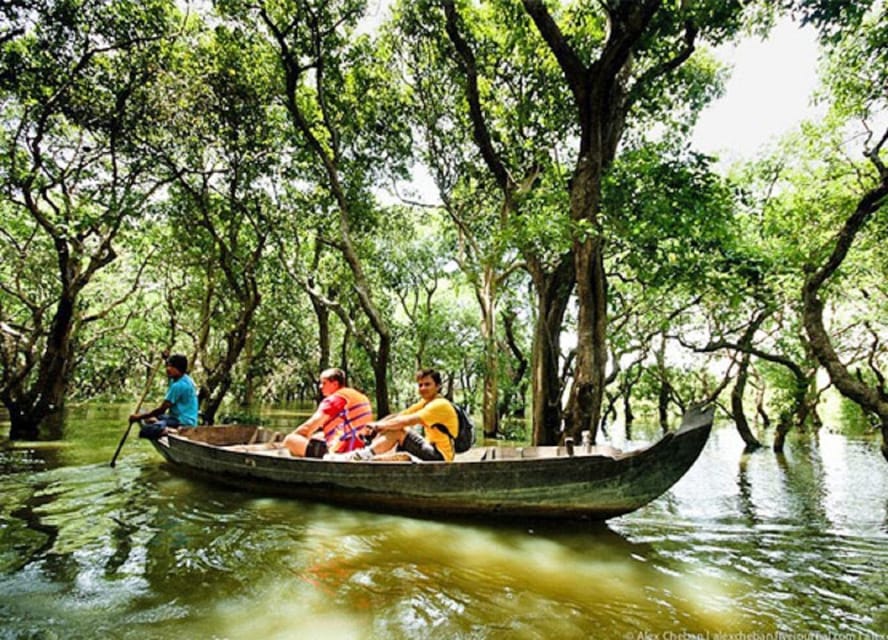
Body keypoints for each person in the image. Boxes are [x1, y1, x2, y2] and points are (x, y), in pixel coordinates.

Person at [354, 368, 458, 462]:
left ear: (438, 386)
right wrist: (374, 428)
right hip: (430, 448)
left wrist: (378, 426)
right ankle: (367, 454)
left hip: (440, 457)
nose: (423, 388)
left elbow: (406, 421)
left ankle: (364, 455)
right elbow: (399, 416)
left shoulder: (440, 405)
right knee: (393, 426)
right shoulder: (425, 402)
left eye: (427, 384)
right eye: (420, 385)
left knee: (399, 430)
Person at [282, 368, 374, 458]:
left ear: (335, 384)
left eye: (324, 383)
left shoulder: (334, 400)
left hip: (341, 452)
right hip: (362, 447)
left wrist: (290, 441)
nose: (320, 387)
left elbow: (307, 428)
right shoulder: (359, 396)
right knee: (318, 436)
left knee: (290, 439)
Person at [130, 353, 199, 439]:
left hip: (183, 422)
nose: (167, 369)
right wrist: (165, 358)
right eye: (167, 366)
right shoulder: (184, 378)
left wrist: (138, 417)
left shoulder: (179, 385)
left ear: (178, 368)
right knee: (144, 412)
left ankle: (170, 430)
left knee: (145, 430)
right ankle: (159, 423)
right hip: (176, 418)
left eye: (170, 366)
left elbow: (161, 410)